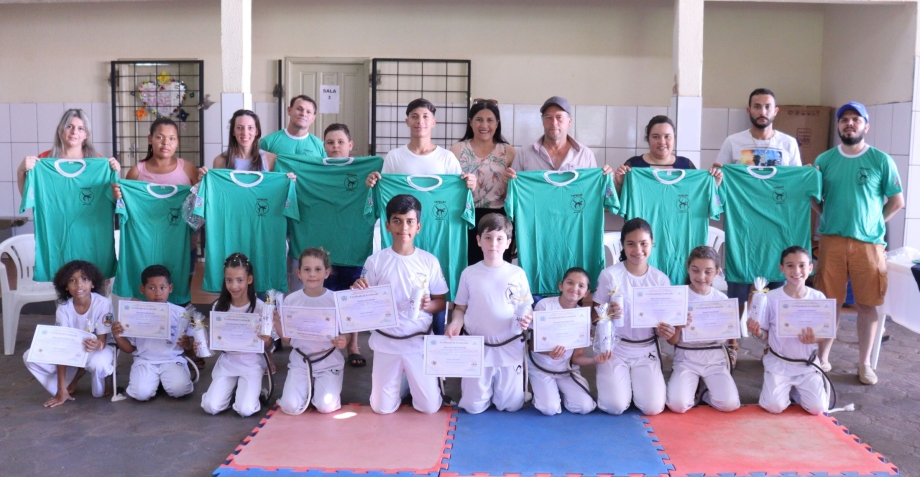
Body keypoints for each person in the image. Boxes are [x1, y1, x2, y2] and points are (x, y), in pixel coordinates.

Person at [812, 102, 904, 384]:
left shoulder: (880, 160)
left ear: (866, 126)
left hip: (869, 245)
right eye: (844, 120)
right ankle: (822, 357)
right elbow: (813, 197)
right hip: (832, 242)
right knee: (830, 304)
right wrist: (827, 215)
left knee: (867, 304)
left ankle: (864, 364)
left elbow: (897, 201)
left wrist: (876, 221)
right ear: (838, 126)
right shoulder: (825, 160)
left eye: (856, 119)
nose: (849, 124)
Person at [351, 194, 448, 415]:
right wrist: (358, 292)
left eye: (409, 221)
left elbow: (441, 302)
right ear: (387, 225)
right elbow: (362, 302)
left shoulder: (429, 261)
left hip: (417, 342)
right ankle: (402, 381)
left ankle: (409, 379)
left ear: (418, 226)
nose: (403, 227)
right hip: (387, 343)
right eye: (397, 220)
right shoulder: (375, 261)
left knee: (430, 407)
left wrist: (428, 305)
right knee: (381, 408)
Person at [713, 88, 801, 310]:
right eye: (757, 106)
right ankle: (733, 341)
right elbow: (717, 180)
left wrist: (807, 174)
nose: (762, 111)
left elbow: (797, 184)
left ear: (775, 111)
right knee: (738, 293)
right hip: (742, 225)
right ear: (749, 110)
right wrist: (717, 175)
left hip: (777, 228)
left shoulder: (788, 144)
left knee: (776, 292)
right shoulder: (733, 142)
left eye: (767, 106)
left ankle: (772, 340)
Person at [446, 213, 533, 414]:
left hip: (509, 347)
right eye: (488, 237)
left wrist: (527, 316)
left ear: (508, 243)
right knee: (473, 407)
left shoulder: (517, 274)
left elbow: (526, 305)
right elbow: (460, 308)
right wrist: (455, 323)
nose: (493, 243)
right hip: (478, 350)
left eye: (499, 238)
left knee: (511, 406)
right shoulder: (469, 273)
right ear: (478, 241)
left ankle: (513, 391)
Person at [593, 218, 669, 416]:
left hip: (646, 349)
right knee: (615, 406)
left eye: (643, 243)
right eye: (631, 244)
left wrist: (665, 330)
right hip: (615, 348)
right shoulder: (610, 275)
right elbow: (594, 315)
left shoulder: (660, 280)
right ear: (623, 245)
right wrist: (607, 313)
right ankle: (624, 388)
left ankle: (635, 387)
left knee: (653, 408)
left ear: (652, 242)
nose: (638, 250)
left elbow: (667, 321)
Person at [748, 246, 830, 415]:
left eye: (802, 265)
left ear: (810, 268)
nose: (796, 271)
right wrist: (757, 333)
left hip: (806, 364)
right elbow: (765, 335)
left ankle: (797, 389)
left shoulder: (818, 298)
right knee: (774, 406)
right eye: (790, 265)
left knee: (818, 409)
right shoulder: (770, 298)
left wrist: (814, 339)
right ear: (782, 268)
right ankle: (785, 389)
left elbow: (825, 335)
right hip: (780, 363)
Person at [23, 260, 115, 408]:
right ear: (65, 286)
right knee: (30, 356)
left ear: (93, 283)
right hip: (70, 351)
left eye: (84, 279)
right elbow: (61, 347)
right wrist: (61, 389)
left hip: (98, 349)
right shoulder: (63, 308)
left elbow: (102, 341)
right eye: (72, 280)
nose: (79, 285)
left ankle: (96, 381)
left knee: (99, 364)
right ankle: (65, 386)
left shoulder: (103, 304)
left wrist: (97, 344)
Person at [664, 246, 740, 413]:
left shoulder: (721, 299)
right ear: (688, 268)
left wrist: (733, 345)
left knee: (729, 404)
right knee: (678, 405)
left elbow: (730, 334)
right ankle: (693, 388)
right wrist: (678, 325)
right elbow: (672, 341)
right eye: (695, 270)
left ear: (717, 272)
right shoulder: (678, 297)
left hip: (715, 359)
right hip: (686, 358)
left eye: (708, 271)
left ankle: (705, 391)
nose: (701, 276)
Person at [528, 267, 610, 416]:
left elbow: (577, 358)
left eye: (581, 286)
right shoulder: (545, 305)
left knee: (585, 407)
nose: (574, 288)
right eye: (570, 283)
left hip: (566, 370)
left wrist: (595, 359)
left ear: (586, 293)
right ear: (561, 286)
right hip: (541, 366)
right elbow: (533, 345)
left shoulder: (582, 316)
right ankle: (543, 394)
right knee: (550, 409)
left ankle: (559, 392)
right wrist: (549, 352)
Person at [200, 253, 275, 417]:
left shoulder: (261, 308)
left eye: (240, 280)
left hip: (252, 363)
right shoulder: (219, 307)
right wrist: (204, 343)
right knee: (211, 406)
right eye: (229, 280)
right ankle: (232, 390)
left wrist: (267, 341)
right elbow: (216, 340)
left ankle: (254, 391)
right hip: (228, 362)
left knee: (245, 409)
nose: (234, 286)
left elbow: (270, 345)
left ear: (249, 279)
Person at [274, 248, 347, 415]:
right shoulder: (291, 300)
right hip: (301, 362)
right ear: (299, 273)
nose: (312, 274)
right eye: (307, 269)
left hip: (328, 363)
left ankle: (322, 389)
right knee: (290, 406)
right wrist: (277, 324)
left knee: (325, 406)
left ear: (327, 272)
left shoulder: (335, 300)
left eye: (318, 269)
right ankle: (304, 389)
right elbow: (290, 340)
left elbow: (346, 332)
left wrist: (344, 340)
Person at [320, 123, 369, 366]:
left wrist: (374, 180)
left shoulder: (365, 170)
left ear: (350, 146)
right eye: (330, 142)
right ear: (324, 146)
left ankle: (353, 344)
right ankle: (328, 341)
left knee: (353, 297)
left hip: (354, 243)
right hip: (324, 244)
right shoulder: (317, 170)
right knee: (327, 295)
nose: (335, 146)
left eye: (340, 142)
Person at [110, 265, 194, 401]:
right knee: (141, 394)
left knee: (179, 390)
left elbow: (191, 345)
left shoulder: (180, 313)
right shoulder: (134, 313)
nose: (157, 293)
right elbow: (130, 348)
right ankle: (156, 380)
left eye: (162, 287)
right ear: (142, 290)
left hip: (172, 359)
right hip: (145, 361)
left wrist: (188, 343)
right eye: (151, 288)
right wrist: (117, 335)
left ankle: (164, 380)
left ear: (170, 288)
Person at [449, 100, 516, 264]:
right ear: (470, 122)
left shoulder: (508, 151)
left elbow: (517, 194)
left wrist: (513, 183)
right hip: (464, 218)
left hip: (499, 219)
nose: (484, 125)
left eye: (489, 120)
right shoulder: (457, 150)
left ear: (497, 123)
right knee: (466, 266)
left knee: (497, 267)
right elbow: (448, 187)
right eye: (479, 119)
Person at [366, 98, 476, 190]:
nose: (420, 121)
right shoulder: (394, 156)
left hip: (436, 216)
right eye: (414, 116)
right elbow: (385, 189)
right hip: (404, 216)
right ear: (407, 121)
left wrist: (469, 184)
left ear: (433, 122)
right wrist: (373, 183)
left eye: (425, 116)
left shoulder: (447, 157)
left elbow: (456, 191)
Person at [17, 108, 120, 193]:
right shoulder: (43, 160)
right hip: (53, 218)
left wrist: (115, 174)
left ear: (86, 134)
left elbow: (111, 197)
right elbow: (29, 197)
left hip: (88, 218)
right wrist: (21, 172)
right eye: (69, 126)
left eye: (80, 128)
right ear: (60, 129)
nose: (74, 132)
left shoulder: (99, 162)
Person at [506, 96, 612, 176]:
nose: (554, 123)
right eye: (548, 117)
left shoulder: (585, 155)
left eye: (559, 117)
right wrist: (509, 182)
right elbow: (515, 193)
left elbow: (592, 191)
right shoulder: (524, 154)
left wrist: (605, 179)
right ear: (542, 121)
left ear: (569, 122)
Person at [613, 115, 722, 193]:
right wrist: (619, 184)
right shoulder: (634, 165)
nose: (662, 142)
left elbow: (699, 194)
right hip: (643, 224)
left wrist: (714, 183)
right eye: (655, 137)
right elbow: (620, 200)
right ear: (648, 139)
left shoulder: (686, 165)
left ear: (674, 139)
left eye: (667, 136)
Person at [124, 117, 199, 185]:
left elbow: (202, 197)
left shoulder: (188, 168)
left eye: (171, 138)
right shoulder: (136, 172)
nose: (165, 142)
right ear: (150, 139)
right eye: (159, 137)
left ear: (177, 142)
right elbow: (125, 198)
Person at [259, 95, 326, 157]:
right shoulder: (267, 143)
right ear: (289, 110)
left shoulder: (321, 147)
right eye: (299, 109)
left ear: (313, 118)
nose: (303, 114)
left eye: (308, 112)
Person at [213, 109, 278, 171]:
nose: (245, 133)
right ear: (233, 131)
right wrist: (202, 178)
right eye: (239, 128)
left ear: (256, 132)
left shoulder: (271, 160)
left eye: (250, 128)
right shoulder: (219, 161)